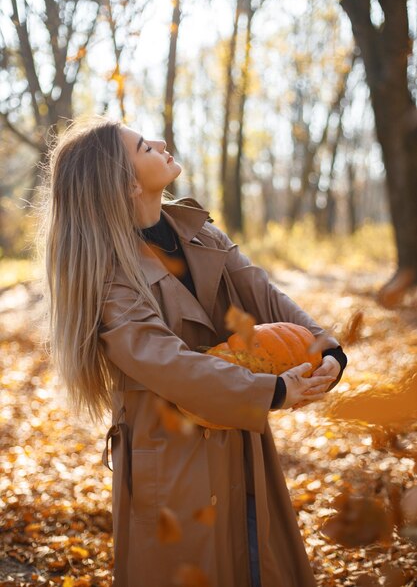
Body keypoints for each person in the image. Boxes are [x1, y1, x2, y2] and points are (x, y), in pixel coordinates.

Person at [44, 117, 347, 587]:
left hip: (239, 433)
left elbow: (263, 294)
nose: (163, 143)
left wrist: (323, 347)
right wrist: (272, 391)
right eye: (145, 146)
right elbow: (165, 362)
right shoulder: (105, 272)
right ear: (124, 183)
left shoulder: (200, 232)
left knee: (254, 561)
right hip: (169, 451)